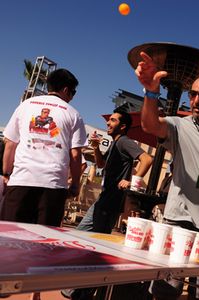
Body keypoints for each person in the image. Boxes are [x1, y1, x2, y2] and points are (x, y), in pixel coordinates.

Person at [135, 51, 199, 300]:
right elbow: (150, 125)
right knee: (165, 291)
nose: (196, 101)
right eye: (192, 94)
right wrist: (151, 93)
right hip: (179, 223)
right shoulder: (178, 125)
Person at [61, 108, 152, 300]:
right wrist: (95, 147)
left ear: (123, 125)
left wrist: (133, 180)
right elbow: (101, 165)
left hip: (109, 202)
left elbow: (146, 159)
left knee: (94, 246)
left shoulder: (125, 142)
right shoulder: (115, 143)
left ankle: (84, 291)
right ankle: (81, 290)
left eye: (112, 120)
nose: (108, 123)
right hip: (105, 201)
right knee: (87, 241)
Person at [1, 68, 87, 227]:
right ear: (66, 90)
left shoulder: (26, 105)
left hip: (21, 180)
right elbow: (75, 155)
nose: (72, 97)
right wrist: (75, 184)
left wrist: (6, 174)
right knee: (44, 243)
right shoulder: (73, 114)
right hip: (53, 186)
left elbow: (10, 143)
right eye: (73, 93)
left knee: (9, 239)